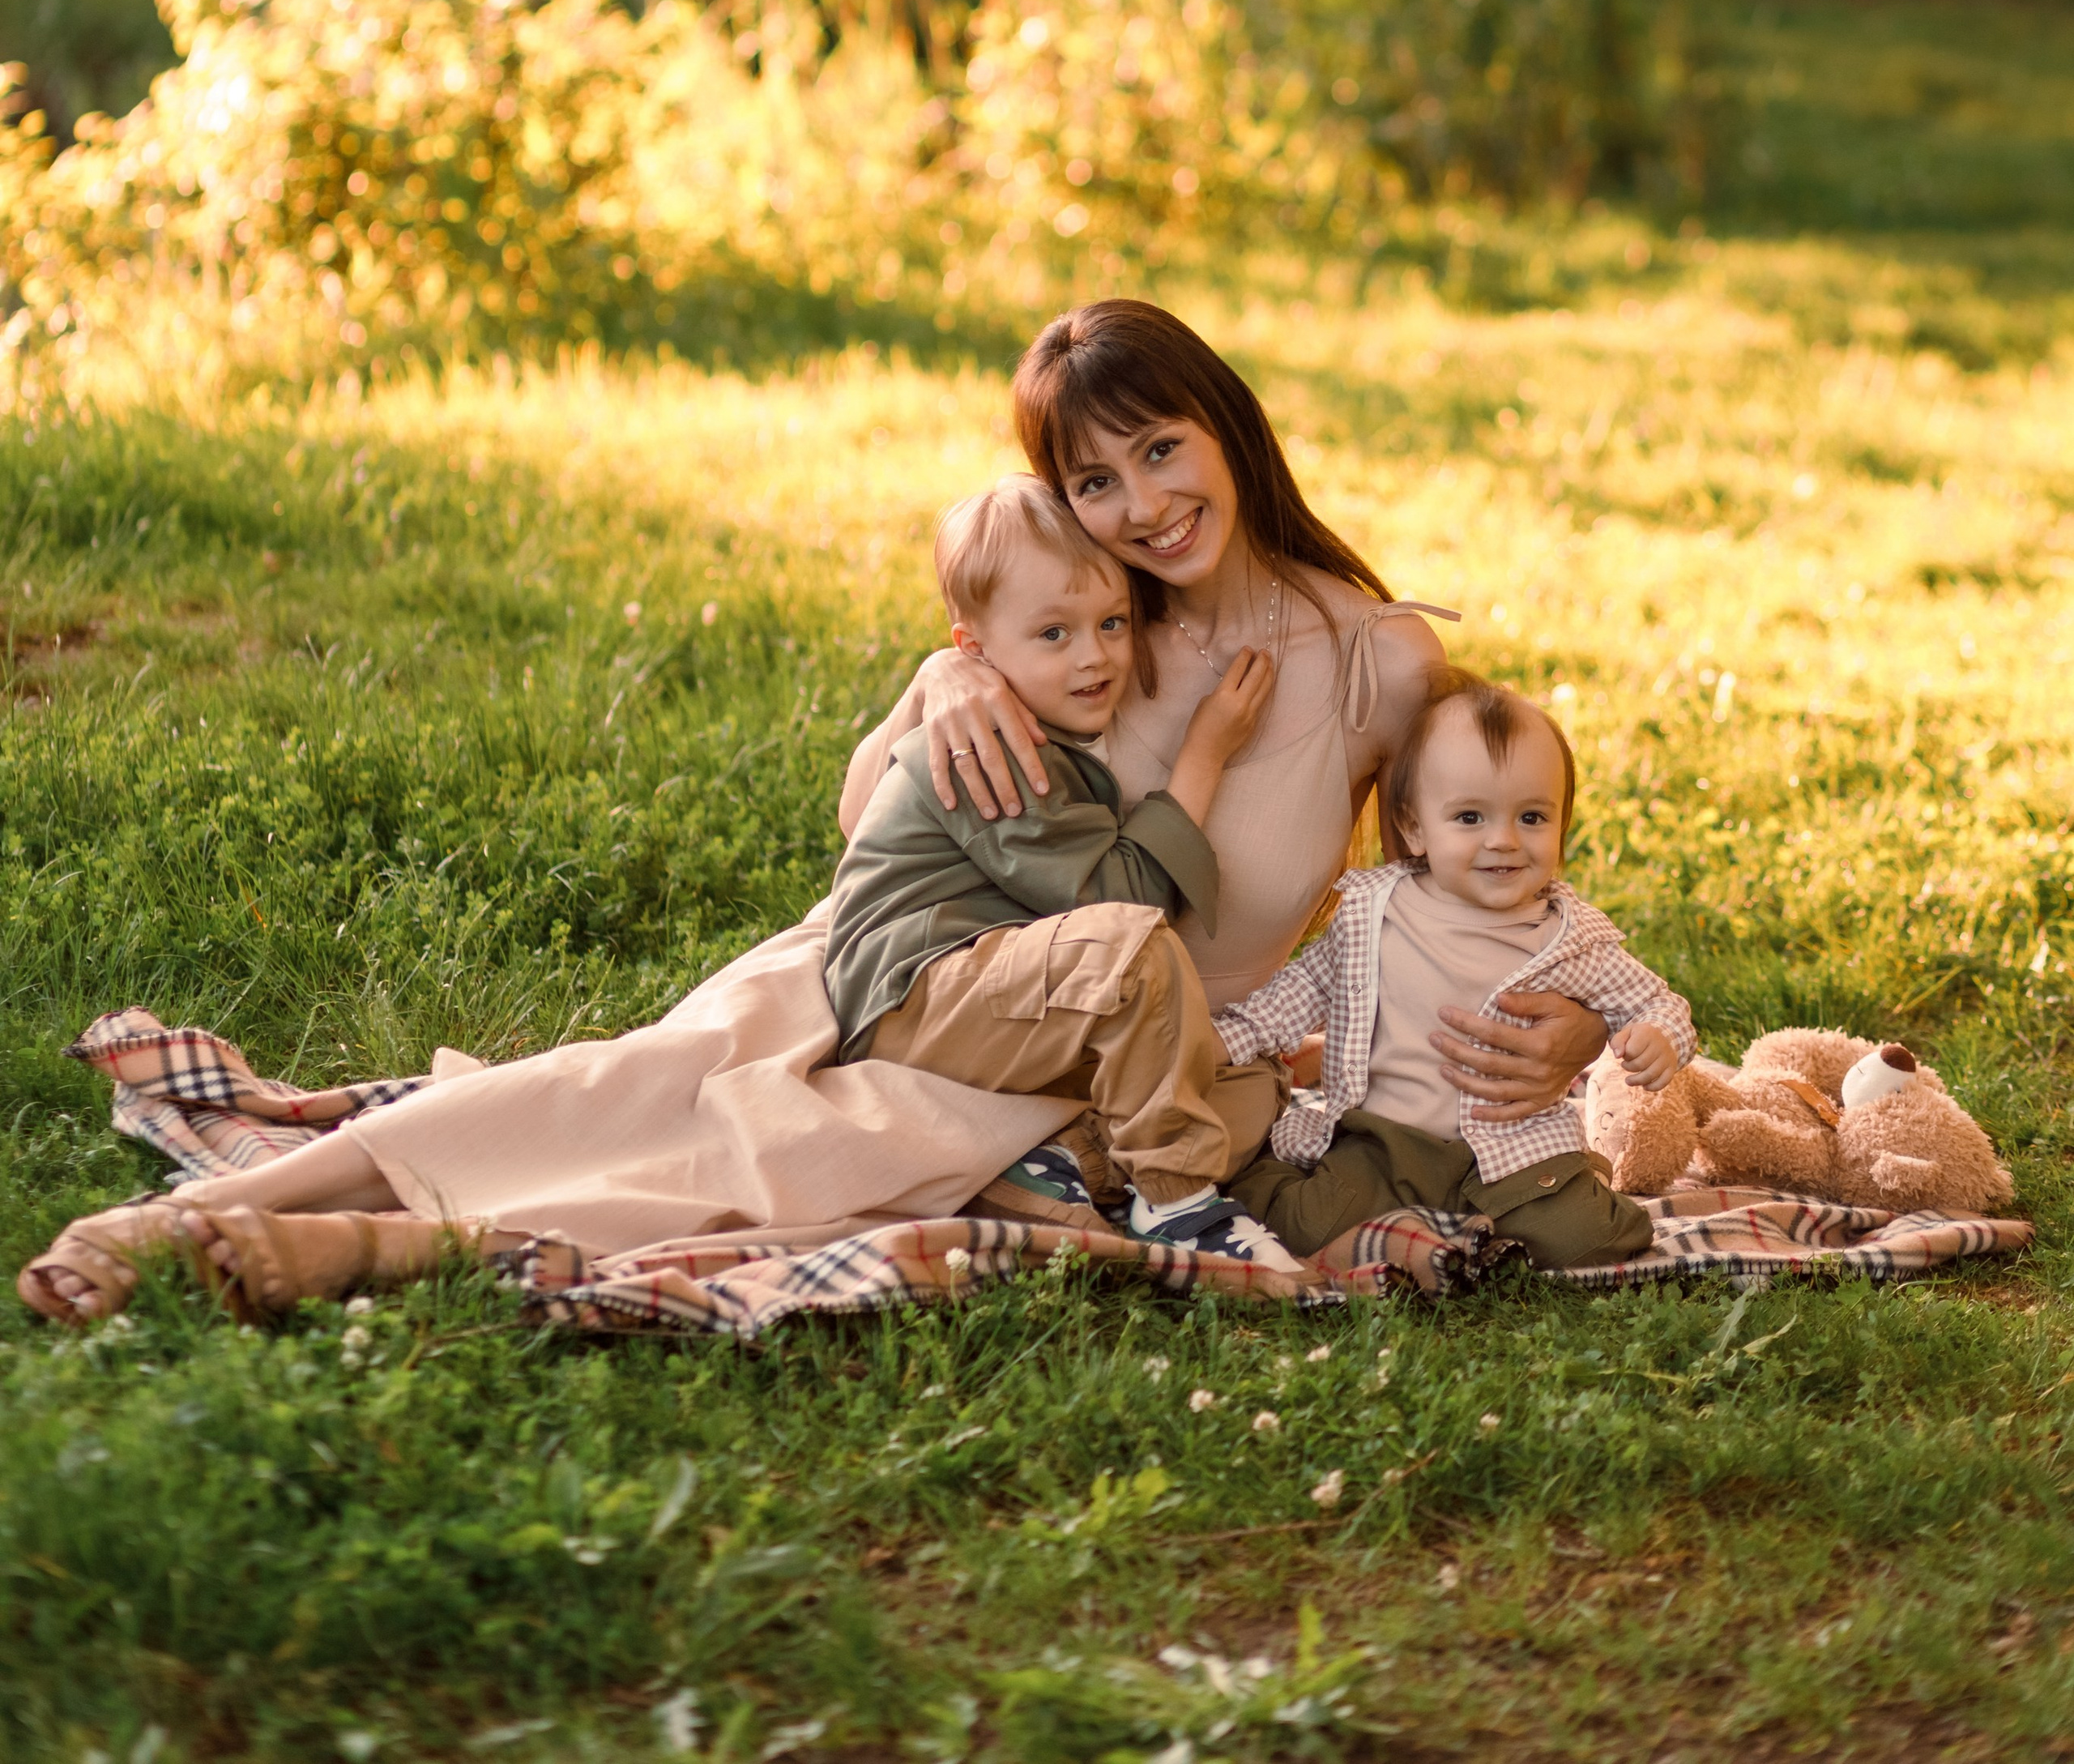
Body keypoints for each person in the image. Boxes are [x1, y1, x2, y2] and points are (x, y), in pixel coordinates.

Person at [19, 301, 1607, 1324]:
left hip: (1110, 1055)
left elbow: (1477, 867)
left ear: (1225, 427)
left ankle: (355, 1252)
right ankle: (208, 1212)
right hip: (911, 960)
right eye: (1093, 480)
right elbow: (869, 821)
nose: (1137, 506)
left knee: (777, 1169)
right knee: (627, 1081)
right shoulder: (1072, 629)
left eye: (1158, 450)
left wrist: (1562, 1033)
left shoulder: (1374, 663)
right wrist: (940, 696)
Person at [827, 476, 1297, 1263]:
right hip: (915, 995)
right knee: (1136, 955)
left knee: (1236, 1071)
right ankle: (1179, 1205)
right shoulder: (995, 744)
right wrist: (1205, 754)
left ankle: (1058, 1168)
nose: (1096, 655)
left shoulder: (1042, 728)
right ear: (973, 650)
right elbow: (1119, 900)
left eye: (1112, 622)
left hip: (983, 980)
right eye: (1054, 634)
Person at [1216, 665, 1692, 1267]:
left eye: (1532, 817)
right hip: (1384, 1141)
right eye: (1470, 817)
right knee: (1302, 1225)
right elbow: (1296, 991)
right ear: (1414, 827)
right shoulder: (1374, 912)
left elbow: (1659, 1001)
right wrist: (1221, 1040)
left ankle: (1541, 1196)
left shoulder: (1568, 939)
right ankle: (1292, 1189)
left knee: (1596, 1240)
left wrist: (1658, 1037)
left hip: (1510, 1151)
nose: (1503, 840)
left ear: (1562, 826)